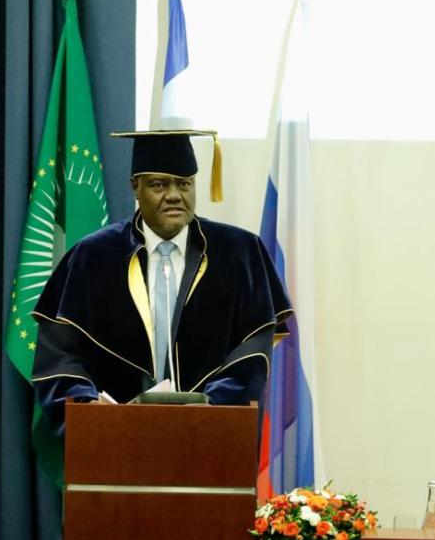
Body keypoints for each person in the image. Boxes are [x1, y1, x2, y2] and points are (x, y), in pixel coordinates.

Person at [31, 130, 292, 435]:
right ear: (135, 188)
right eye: (158, 184)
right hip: (116, 441)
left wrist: (209, 406)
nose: (174, 195)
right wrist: (89, 407)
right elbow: (59, 356)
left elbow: (254, 350)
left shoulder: (239, 254)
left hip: (210, 438)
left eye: (184, 184)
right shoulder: (93, 257)